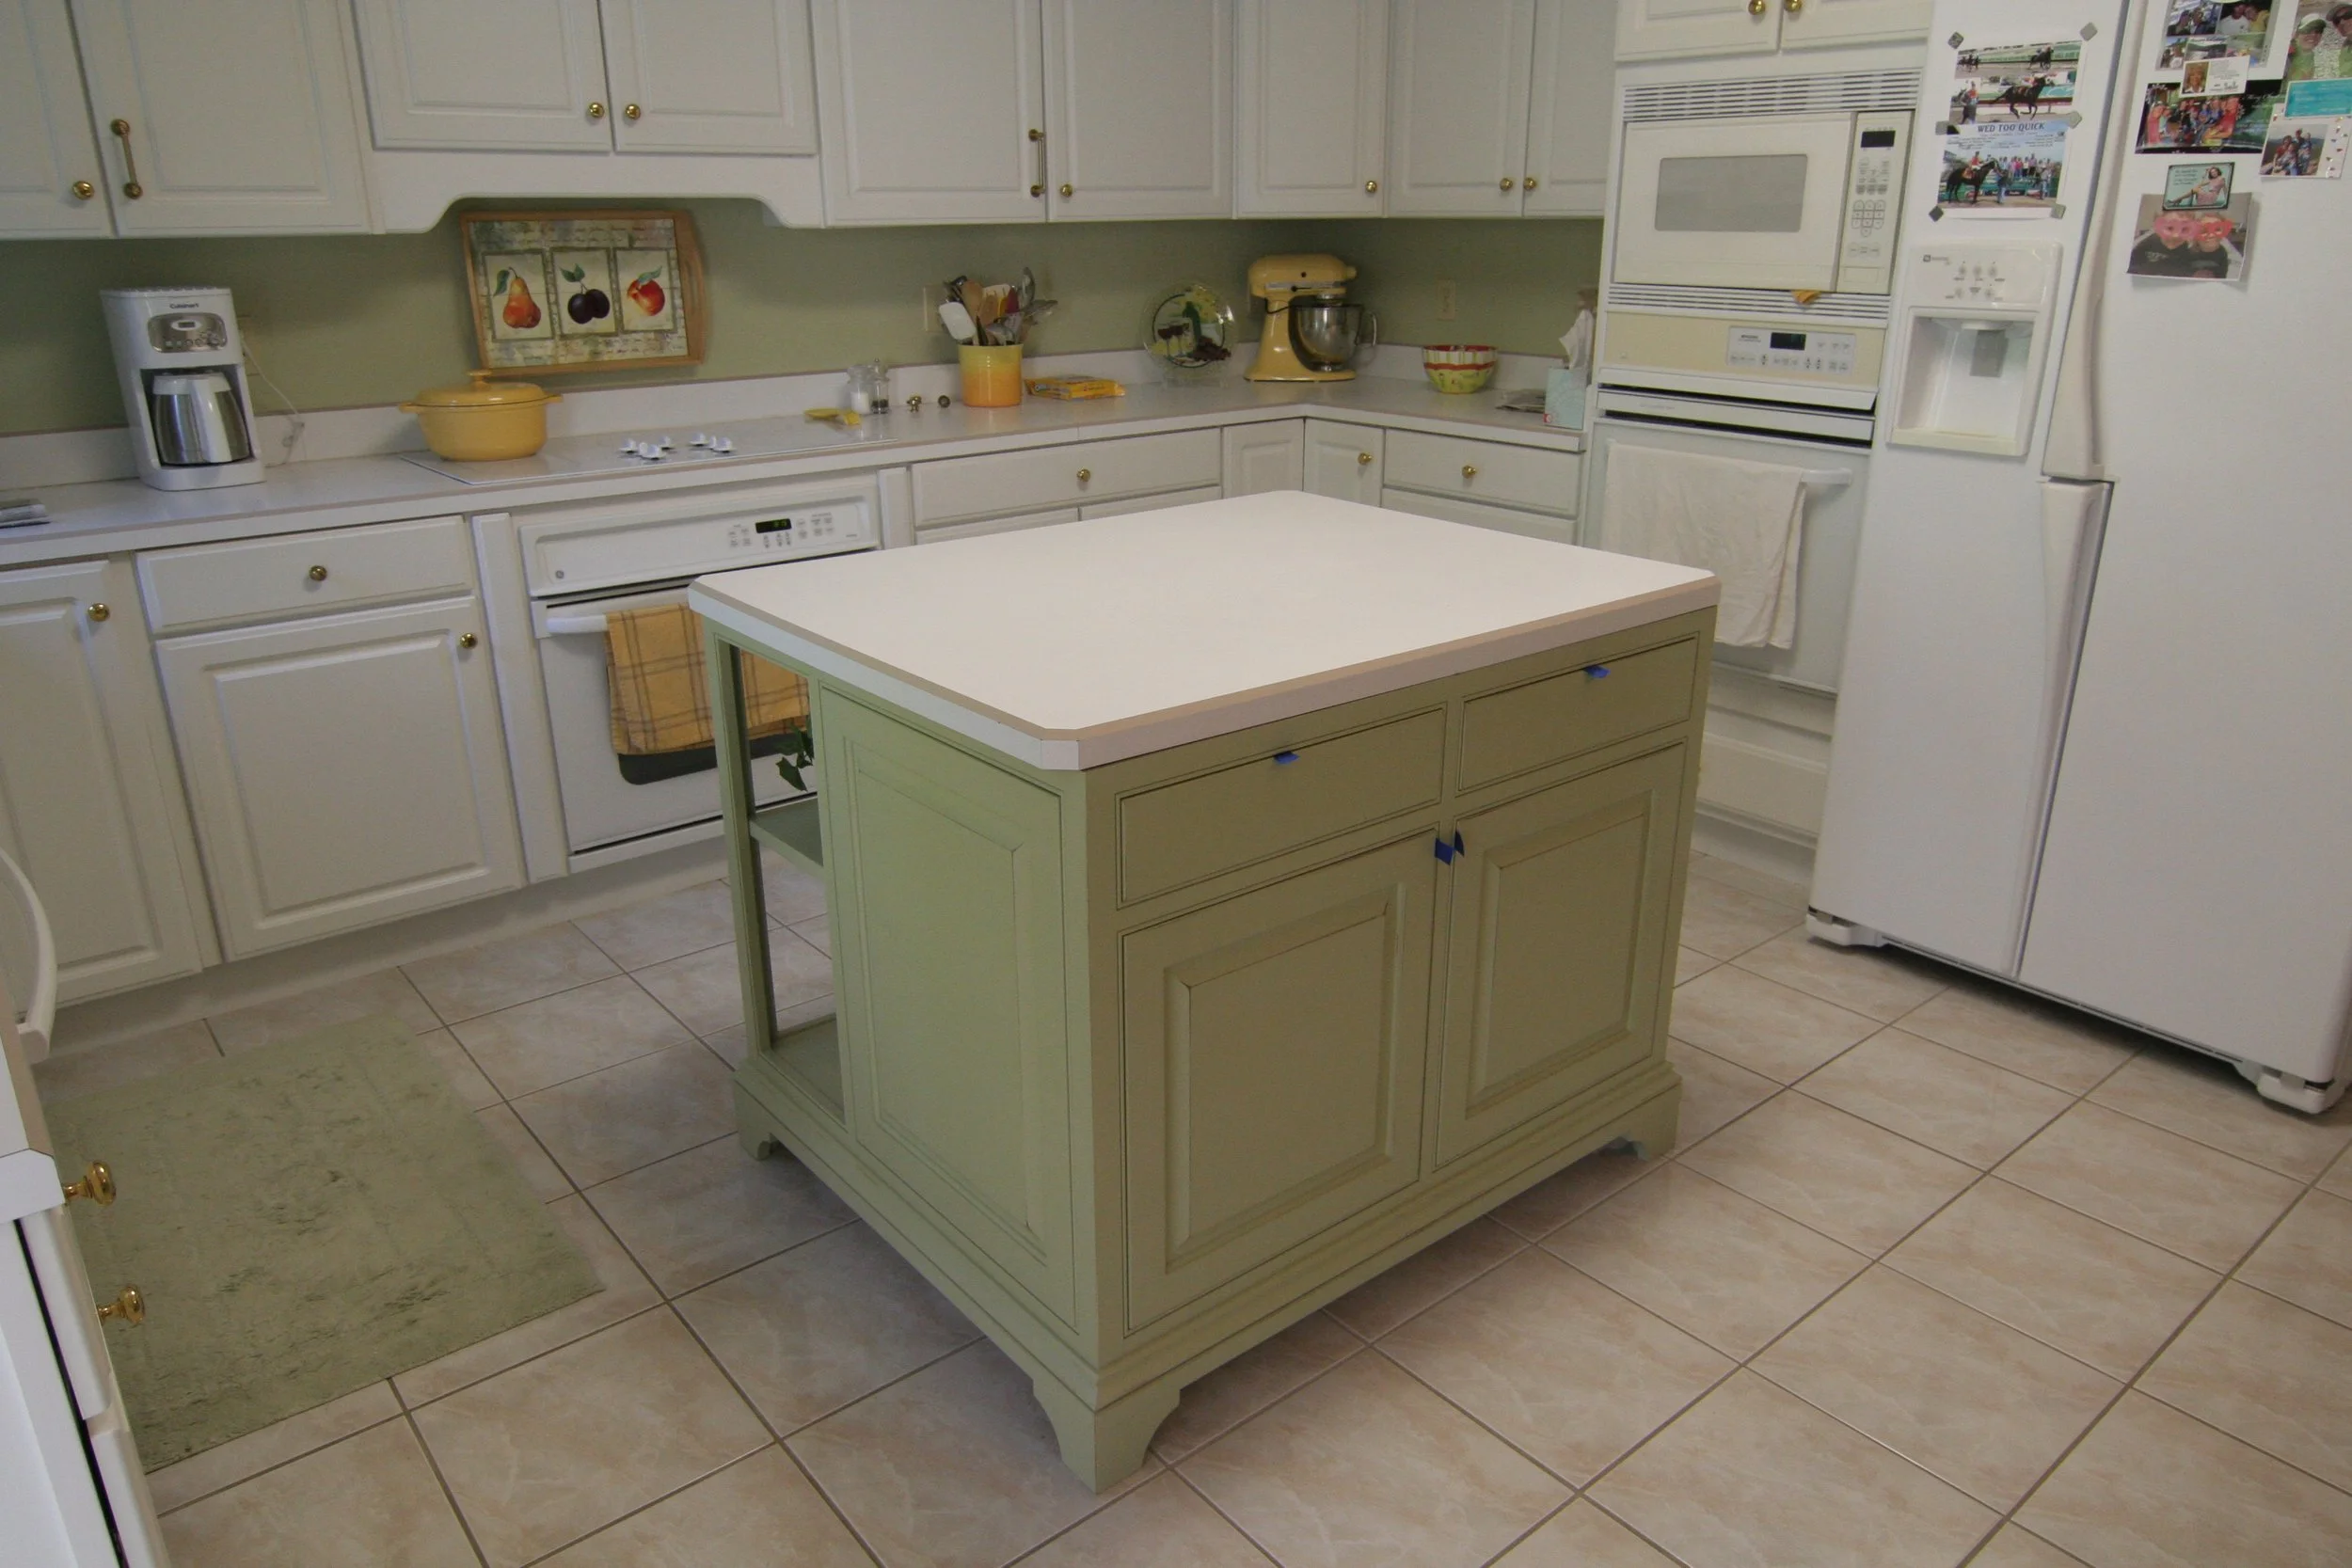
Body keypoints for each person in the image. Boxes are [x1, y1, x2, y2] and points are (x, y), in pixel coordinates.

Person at [2129, 207, 2203, 276]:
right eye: (2170, 228)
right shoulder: (2146, 243)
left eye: (2184, 229)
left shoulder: (2191, 252)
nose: (2175, 235)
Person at [2186, 213, 2241, 278]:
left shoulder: (2225, 253)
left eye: (2217, 229)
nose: (2211, 235)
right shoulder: (2187, 254)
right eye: (2204, 230)